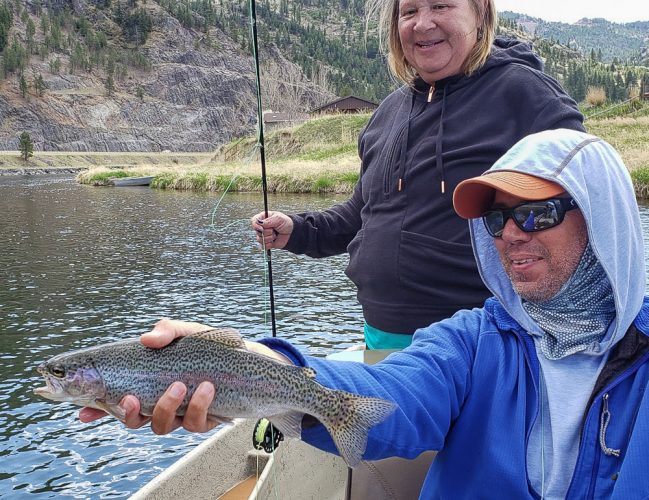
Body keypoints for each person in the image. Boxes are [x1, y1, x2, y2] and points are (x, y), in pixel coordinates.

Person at [82, 129, 649, 498]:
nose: (512, 237)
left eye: (539, 213)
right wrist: (251, 363)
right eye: (498, 220)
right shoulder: (475, 342)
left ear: (603, 219)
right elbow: (390, 391)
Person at [251, 0, 585, 349]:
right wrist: (299, 231)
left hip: (480, 342)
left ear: (480, 12)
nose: (422, 24)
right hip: (381, 338)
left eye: (440, 6)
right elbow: (362, 212)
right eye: (409, 12)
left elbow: (584, 204)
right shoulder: (388, 111)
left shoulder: (526, 93)